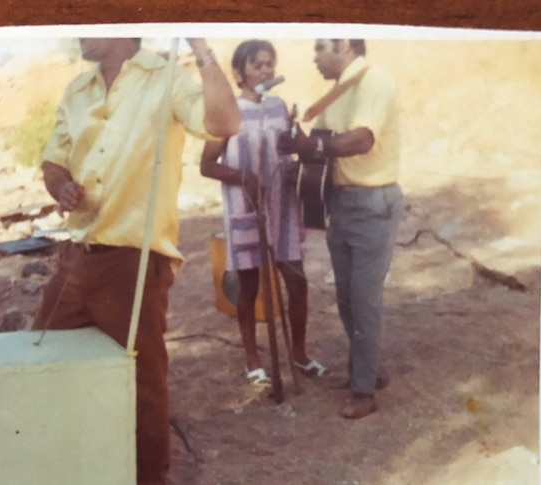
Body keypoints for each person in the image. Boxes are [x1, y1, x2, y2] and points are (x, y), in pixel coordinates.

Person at [33, 37, 240, 485]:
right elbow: (53, 160)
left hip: (135, 260)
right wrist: (61, 185)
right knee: (44, 366)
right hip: (75, 257)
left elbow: (224, 123)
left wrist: (200, 46)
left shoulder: (167, 78)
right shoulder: (77, 90)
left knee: (140, 385)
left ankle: (149, 478)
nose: (78, 32)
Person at [278, 39, 402, 419]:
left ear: (346, 44)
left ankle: (363, 391)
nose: (313, 57)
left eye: (320, 48)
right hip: (342, 204)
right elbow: (317, 144)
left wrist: (310, 147)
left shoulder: (374, 81)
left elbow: (361, 140)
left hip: (372, 203)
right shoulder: (336, 93)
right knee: (347, 298)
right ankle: (369, 372)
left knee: (363, 299)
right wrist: (296, 144)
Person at [199, 39, 329, 387]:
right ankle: (253, 358)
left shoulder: (279, 107)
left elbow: (301, 149)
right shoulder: (228, 111)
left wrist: (295, 154)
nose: (267, 70)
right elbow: (206, 165)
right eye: (258, 65)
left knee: (297, 283)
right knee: (249, 286)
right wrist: (244, 177)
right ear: (239, 73)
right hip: (246, 208)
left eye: (270, 63)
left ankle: (299, 354)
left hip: (282, 207)